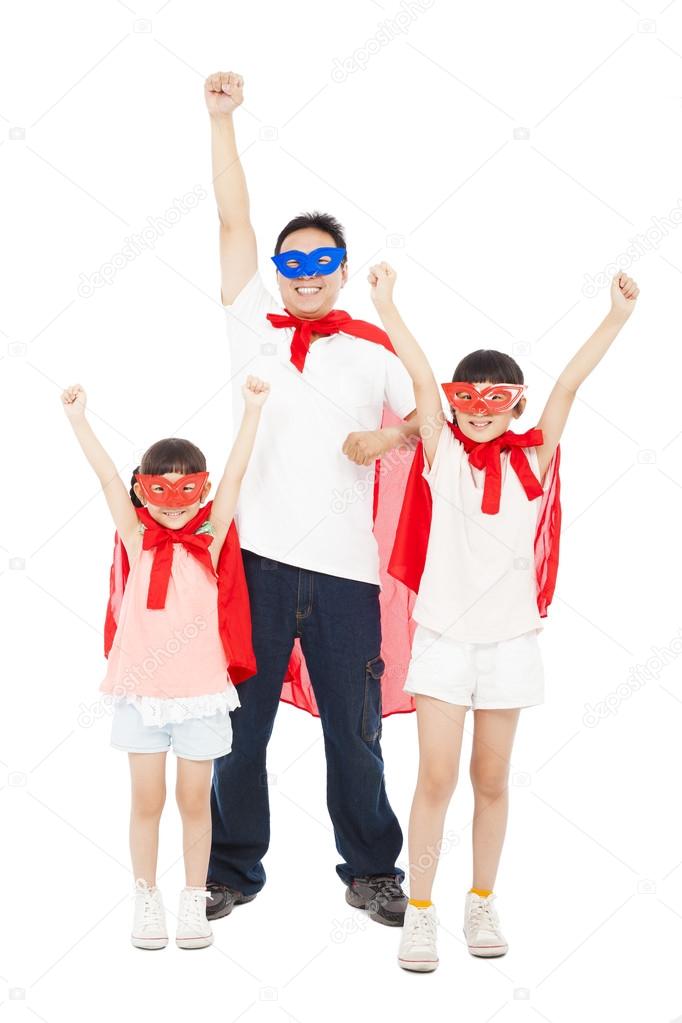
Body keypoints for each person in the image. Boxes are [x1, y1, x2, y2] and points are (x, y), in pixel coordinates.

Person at [365, 261, 639, 971]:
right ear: (454, 404)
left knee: (491, 777)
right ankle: (418, 911)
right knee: (435, 777)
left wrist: (613, 318)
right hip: (444, 641)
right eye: (468, 397)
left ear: (516, 405)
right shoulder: (442, 450)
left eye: (496, 398)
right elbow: (420, 379)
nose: (479, 408)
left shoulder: (535, 454)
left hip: (511, 642)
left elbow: (571, 385)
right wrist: (389, 305)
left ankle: (480, 898)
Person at [204, 70, 420, 926]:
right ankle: (230, 867)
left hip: (344, 578)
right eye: (290, 260)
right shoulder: (251, 322)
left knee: (354, 733)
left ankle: (372, 867)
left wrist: (391, 435)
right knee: (239, 732)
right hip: (251, 562)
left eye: (319, 261)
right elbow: (231, 220)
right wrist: (221, 122)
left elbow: (434, 418)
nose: (302, 272)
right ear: (277, 271)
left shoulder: (372, 346)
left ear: (338, 270)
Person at [61, 375, 269, 950]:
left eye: (187, 490)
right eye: (160, 490)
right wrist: (80, 420)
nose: (173, 504)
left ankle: (192, 899)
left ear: (201, 493)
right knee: (147, 800)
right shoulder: (134, 536)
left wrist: (252, 410)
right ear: (141, 492)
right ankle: (146, 897)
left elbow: (236, 475)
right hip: (142, 694)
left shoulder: (215, 534)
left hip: (201, 693)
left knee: (195, 800)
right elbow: (106, 479)